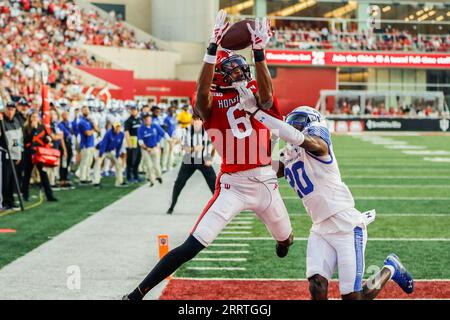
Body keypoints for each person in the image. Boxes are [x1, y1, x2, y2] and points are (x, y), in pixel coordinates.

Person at [123, 12, 293, 300]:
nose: (239, 73)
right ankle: (136, 294)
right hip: (233, 186)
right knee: (191, 245)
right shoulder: (209, 99)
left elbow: (266, 97)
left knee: (286, 239)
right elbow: (202, 96)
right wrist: (211, 50)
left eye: (242, 69)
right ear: (219, 74)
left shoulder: (253, 91)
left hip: (265, 181)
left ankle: (281, 242)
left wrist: (260, 52)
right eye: (233, 70)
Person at [239, 102, 415, 300]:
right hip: (320, 227)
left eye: (298, 124)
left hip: (346, 225)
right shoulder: (288, 157)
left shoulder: (320, 147)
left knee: (353, 297)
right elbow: (260, 167)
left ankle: (390, 268)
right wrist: (265, 135)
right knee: (317, 286)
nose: (293, 127)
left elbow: (308, 142)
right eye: (292, 123)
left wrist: (262, 116)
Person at [167, 114, 216, 214]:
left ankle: (220, 207)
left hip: (203, 160)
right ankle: (172, 205)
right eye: (195, 119)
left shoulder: (207, 130)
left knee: (214, 184)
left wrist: (210, 159)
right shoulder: (186, 131)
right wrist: (194, 149)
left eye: (199, 119)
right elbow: (184, 147)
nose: (197, 122)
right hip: (189, 160)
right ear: (192, 121)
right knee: (179, 183)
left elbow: (213, 146)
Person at [22, 112, 57, 202]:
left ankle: (50, 196)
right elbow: (26, 141)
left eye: (36, 117)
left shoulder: (42, 127)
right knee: (27, 175)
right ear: (29, 118)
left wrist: (48, 139)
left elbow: (45, 138)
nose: (34, 118)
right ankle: (25, 195)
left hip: (40, 154)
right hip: (29, 154)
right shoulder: (26, 128)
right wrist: (33, 130)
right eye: (32, 117)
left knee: (43, 175)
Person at [0, 101, 23, 210]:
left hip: (15, 154)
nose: (10, 111)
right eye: (8, 109)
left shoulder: (17, 122)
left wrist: (19, 154)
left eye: (12, 109)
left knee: (13, 179)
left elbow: (19, 140)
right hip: (5, 154)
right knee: (5, 179)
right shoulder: (2, 121)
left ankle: (11, 200)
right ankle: (5, 201)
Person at [138, 113, 169, 187]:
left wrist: (169, 140)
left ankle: (159, 176)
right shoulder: (141, 128)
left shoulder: (154, 125)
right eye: (147, 120)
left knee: (156, 165)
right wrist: (146, 148)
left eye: (149, 119)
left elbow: (163, 133)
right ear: (144, 121)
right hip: (145, 149)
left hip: (154, 147)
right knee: (149, 165)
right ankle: (152, 181)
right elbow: (140, 141)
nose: (149, 121)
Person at [93, 122, 127, 187]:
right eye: (116, 127)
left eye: (119, 127)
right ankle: (96, 182)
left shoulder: (121, 134)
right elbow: (104, 144)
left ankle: (119, 182)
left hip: (111, 150)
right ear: (113, 127)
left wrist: (117, 154)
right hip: (100, 150)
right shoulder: (108, 134)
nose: (118, 128)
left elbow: (119, 145)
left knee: (119, 162)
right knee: (98, 163)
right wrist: (100, 155)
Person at [77, 105, 98, 184]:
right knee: (85, 162)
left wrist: (93, 123)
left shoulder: (89, 120)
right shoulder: (81, 122)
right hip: (85, 144)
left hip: (91, 143)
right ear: (82, 111)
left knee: (89, 162)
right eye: (84, 110)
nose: (86, 111)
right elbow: (88, 133)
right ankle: (82, 178)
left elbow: (97, 129)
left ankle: (87, 177)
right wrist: (93, 129)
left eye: (87, 110)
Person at [124, 105, 142, 183]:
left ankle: (136, 175)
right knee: (131, 160)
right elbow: (126, 132)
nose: (134, 111)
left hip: (138, 142)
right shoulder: (128, 121)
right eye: (132, 110)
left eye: (135, 110)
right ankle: (129, 177)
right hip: (132, 141)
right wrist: (129, 143)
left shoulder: (139, 120)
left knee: (138, 159)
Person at [58, 110, 75, 189]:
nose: (65, 116)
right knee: (63, 162)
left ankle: (65, 178)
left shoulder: (69, 123)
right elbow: (63, 135)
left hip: (69, 143)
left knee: (67, 162)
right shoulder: (60, 124)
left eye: (66, 114)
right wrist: (64, 149)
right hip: (64, 144)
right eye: (64, 114)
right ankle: (62, 180)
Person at [161, 104, 178, 173]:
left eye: (173, 110)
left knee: (171, 152)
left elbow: (174, 128)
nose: (172, 111)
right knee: (166, 152)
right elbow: (165, 129)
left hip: (172, 137)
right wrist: (168, 138)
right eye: (171, 110)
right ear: (168, 111)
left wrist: (174, 136)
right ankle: (164, 166)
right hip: (167, 138)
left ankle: (169, 166)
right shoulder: (166, 118)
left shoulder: (173, 118)